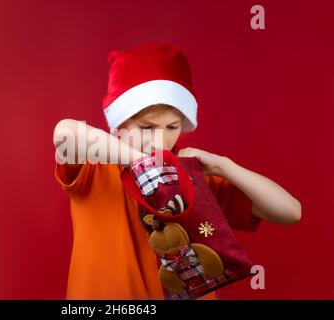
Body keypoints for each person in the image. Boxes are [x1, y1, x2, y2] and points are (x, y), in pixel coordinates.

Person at [53, 43, 301, 299]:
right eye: (146, 127)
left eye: (172, 127)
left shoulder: (191, 176)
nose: (159, 142)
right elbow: (64, 133)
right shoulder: (94, 169)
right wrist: (145, 163)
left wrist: (222, 166)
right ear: (120, 123)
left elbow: (289, 211)